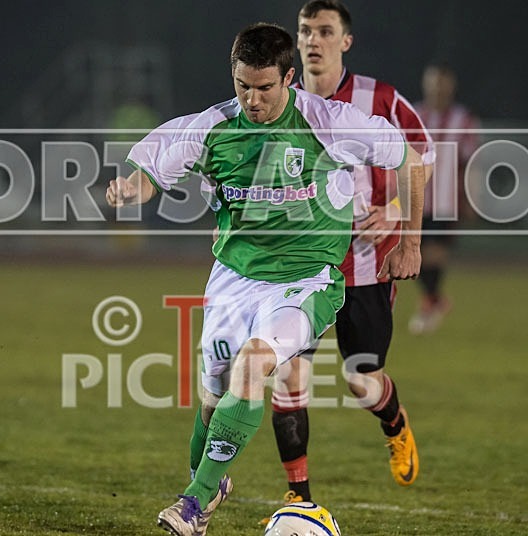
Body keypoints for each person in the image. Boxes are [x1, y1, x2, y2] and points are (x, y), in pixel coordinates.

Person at [106, 22, 426, 536]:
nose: (252, 100)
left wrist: (410, 242)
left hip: (307, 280)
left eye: (264, 88)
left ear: (289, 78)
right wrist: (131, 189)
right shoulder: (212, 127)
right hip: (233, 277)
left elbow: (411, 160)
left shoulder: (330, 122)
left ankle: (194, 503)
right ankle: (209, 485)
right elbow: (152, 173)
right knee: (212, 400)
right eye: (243, 87)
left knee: (256, 364)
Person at [264, 0, 436, 508]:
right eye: (304, 31)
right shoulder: (276, 100)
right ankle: (299, 498)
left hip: (367, 267)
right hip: (300, 268)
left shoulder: (378, 99)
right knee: (289, 377)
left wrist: (401, 215)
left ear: (345, 41)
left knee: (361, 380)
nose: (312, 40)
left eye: (324, 31)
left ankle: (395, 422)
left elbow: (420, 159)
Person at [408, 62, 480, 335]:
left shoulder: (463, 119)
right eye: (434, 81)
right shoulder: (412, 113)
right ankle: (435, 300)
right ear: (426, 83)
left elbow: (471, 161)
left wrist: (471, 197)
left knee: (433, 256)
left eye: (443, 82)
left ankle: (431, 302)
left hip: (447, 201)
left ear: (451, 86)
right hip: (414, 198)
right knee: (414, 260)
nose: (438, 87)